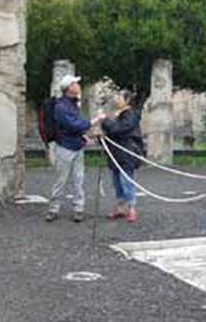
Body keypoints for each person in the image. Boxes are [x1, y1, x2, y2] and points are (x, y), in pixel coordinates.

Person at [46, 75, 93, 223]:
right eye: (75, 83)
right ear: (69, 88)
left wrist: (83, 136)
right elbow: (73, 125)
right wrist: (93, 122)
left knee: (79, 179)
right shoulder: (61, 106)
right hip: (65, 147)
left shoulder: (73, 104)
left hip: (77, 146)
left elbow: (76, 125)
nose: (78, 85)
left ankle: (79, 209)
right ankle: (53, 209)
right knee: (61, 179)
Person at [98, 89, 143, 223]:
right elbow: (112, 134)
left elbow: (119, 130)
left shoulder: (130, 115)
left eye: (119, 96)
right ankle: (121, 208)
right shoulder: (118, 116)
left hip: (127, 153)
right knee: (117, 182)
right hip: (116, 154)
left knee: (126, 181)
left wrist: (104, 120)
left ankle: (131, 209)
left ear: (127, 100)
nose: (115, 98)